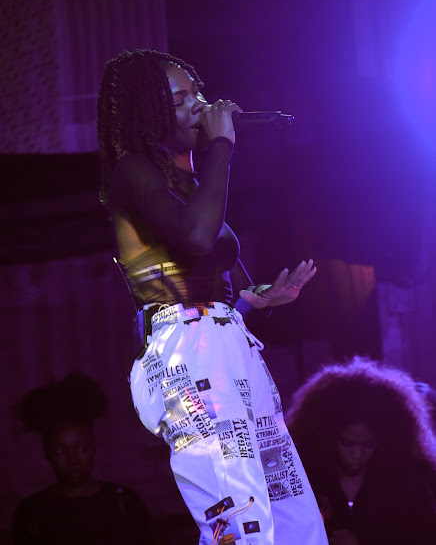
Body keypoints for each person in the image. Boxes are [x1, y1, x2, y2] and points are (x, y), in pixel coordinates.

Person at [97, 48, 328, 544]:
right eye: (180, 99)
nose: (199, 105)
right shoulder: (134, 171)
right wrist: (222, 144)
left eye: (197, 92)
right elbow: (197, 239)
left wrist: (255, 299)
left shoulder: (190, 182)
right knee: (242, 521)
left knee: (290, 515)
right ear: (148, 114)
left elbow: (217, 276)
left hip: (225, 342)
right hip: (186, 354)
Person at [286, 356, 436, 545]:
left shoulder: (406, 483)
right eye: (347, 444)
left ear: (385, 441)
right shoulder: (304, 478)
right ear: (327, 438)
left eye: (368, 445)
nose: (357, 455)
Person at [12, 372, 151, 545]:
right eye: (60, 450)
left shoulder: (125, 503)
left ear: (93, 447)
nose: (73, 459)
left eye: (81, 448)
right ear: (47, 453)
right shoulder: (32, 513)